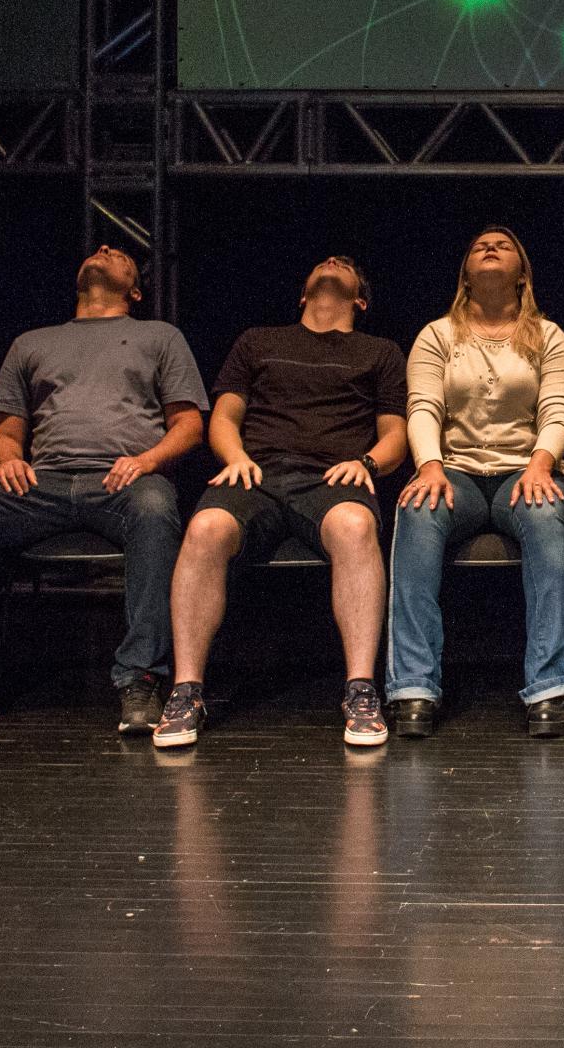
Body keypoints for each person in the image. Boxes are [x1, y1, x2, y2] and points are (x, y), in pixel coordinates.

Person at [0, 245, 207, 737]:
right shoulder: (34, 342)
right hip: (42, 482)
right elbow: (4, 432)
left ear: (135, 292)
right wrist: (9, 459)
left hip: (123, 480)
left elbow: (189, 425)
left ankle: (140, 678)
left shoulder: (159, 336)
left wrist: (147, 461)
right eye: (98, 248)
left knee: (156, 506)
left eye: (119, 254)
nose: (104, 248)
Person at [152, 256, 406, 750]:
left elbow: (395, 433)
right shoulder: (259, 341)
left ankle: (360, 689)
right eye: (323, 262)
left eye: (345, 264)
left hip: (332, 475)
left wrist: (368, 463)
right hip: (257, 472)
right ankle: (186, 691)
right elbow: (224, 416)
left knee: (355, 525)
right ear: (302, 294)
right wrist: (235, 457)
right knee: (205, 527)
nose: (332, 261)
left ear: (360, 300)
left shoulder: (379, 351)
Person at [385, 228, 564, 739]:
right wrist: (429, 465)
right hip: (456, 471)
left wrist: (541, 463)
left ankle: (549, 685)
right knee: (418, 511)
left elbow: (557, 410)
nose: (490, 247)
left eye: (504, 245)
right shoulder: (437, 335)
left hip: (526, 468)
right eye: (479, 246)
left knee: (545, 516)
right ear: (466, 277)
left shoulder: (548, 336)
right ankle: (413, 686)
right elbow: (423, 407)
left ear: (522, 275)